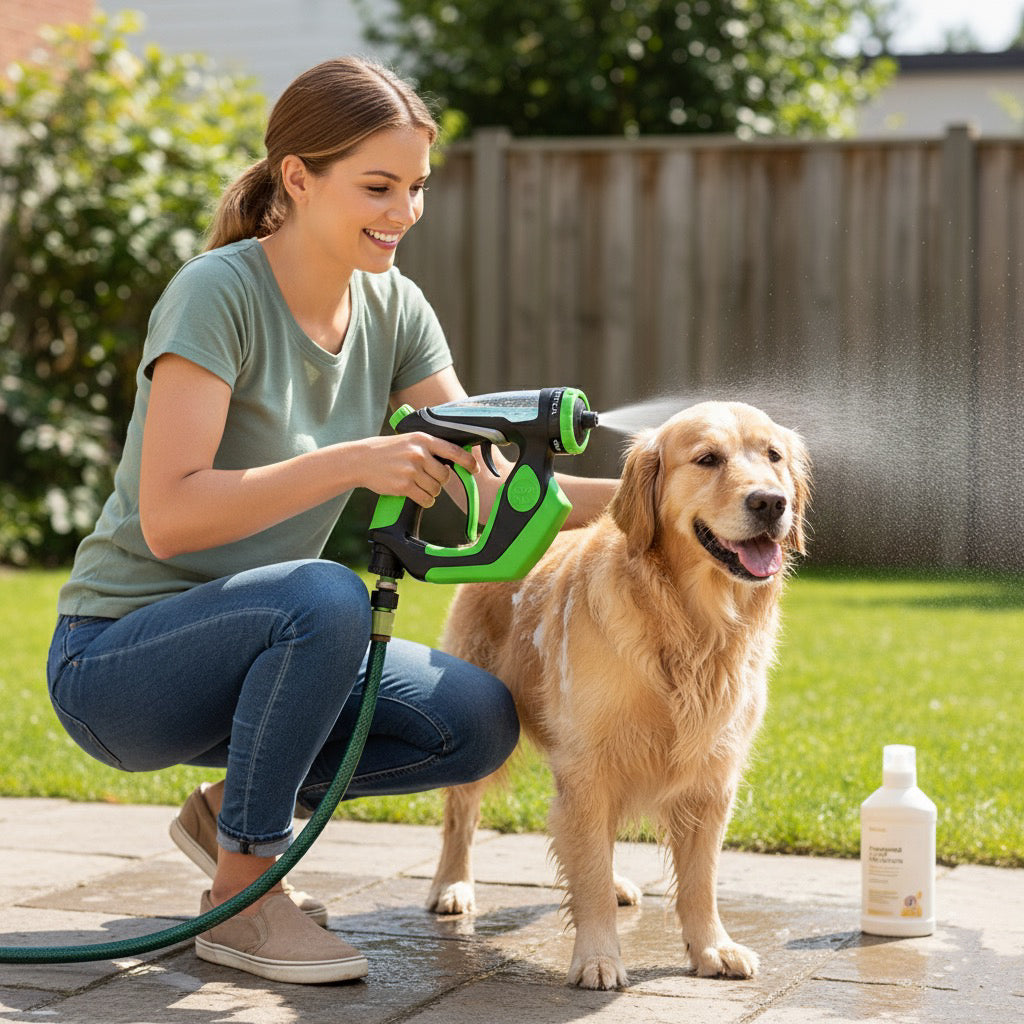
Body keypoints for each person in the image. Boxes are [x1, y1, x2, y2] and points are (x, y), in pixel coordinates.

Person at [46, 57, 615, 986]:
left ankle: (228, 810)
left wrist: (665, 486)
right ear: (299, 178)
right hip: (117, 665)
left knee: (475, 719)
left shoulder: (394, 308)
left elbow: (492, 481)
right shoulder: (216, 294)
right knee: (325, 594)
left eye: (418, 188)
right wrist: (353, 461)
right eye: (379, 186)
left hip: (257, 659)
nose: (404, 213)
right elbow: (170, 516)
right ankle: (245, 891)